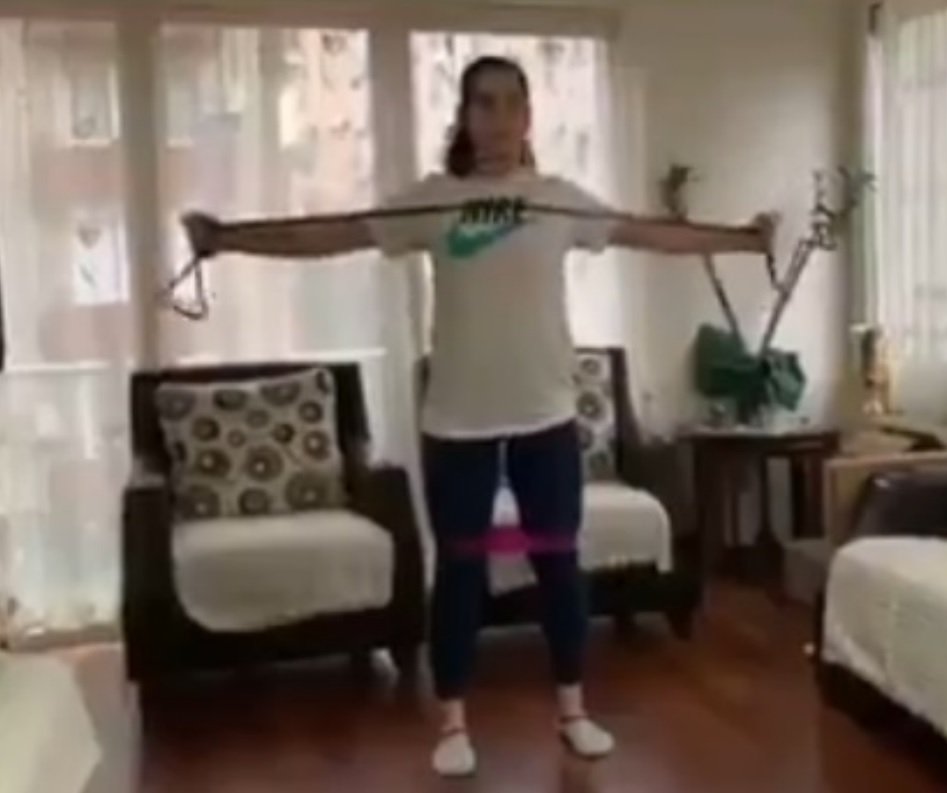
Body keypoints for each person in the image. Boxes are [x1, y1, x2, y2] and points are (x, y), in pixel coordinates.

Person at [182, 55, 775, 778]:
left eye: (510, 104)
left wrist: (744, 240)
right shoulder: (436, 202)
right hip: (458, 421)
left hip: (545, 416)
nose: (497, 119)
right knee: (461, 571)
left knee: (558, 568)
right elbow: (331, 233)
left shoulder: (557, 203)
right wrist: (227, 238)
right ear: (464, 117)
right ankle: (454, 720)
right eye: (482, 104)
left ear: (528, 118)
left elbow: (650, 234)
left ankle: (573, 711)